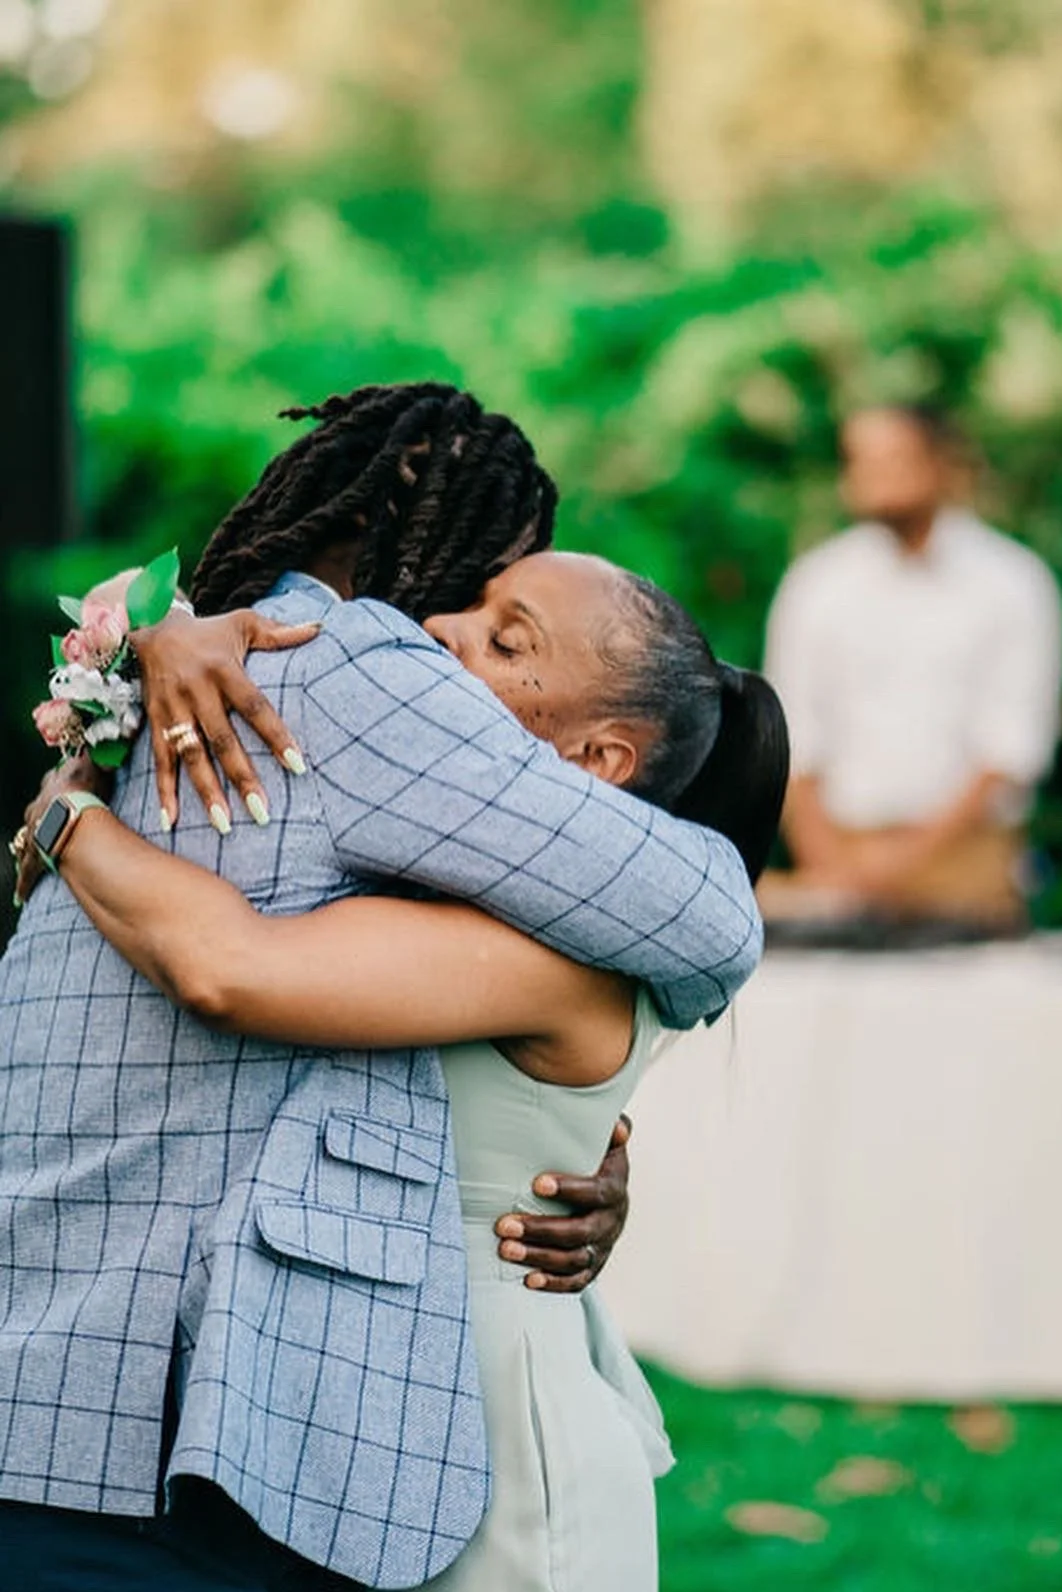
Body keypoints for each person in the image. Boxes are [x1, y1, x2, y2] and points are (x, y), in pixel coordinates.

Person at [0, 383, 764, 1591]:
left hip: (115, 1385)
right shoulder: (355, 674)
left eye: (504, 632)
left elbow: (249, 978)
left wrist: (64, 813)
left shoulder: (170, 708)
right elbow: (711, 916)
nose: (449, 635)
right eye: (470, 597)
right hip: (250, 1433)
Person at [763, 402, 1062, 935]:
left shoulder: (1011, 583)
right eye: (861, 461)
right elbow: (793, 737)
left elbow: (1011, 747)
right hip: (840, 861)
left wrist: (903, 861)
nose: (876, 476)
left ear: (943, 465)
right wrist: (831, 863)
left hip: (969, 866)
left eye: (895, 458)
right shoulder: (818, 584)